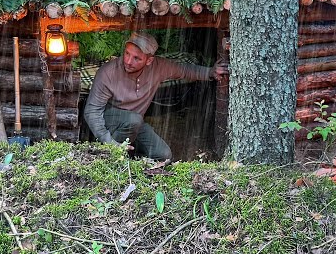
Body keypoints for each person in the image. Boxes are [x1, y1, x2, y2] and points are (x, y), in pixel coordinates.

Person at [83, 31, 229, 161]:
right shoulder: (108, 72)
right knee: (134, 120)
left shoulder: (158, 67)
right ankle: (113, 157)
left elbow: (184, 70)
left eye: (136, 58)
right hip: (110, 122)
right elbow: (92, 112)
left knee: (164, 155)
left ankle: (132, 160)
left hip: (136, 124)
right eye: (127, 54)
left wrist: (210, 72)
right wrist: (109, 142)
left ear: (149, 61)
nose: (128, 61)